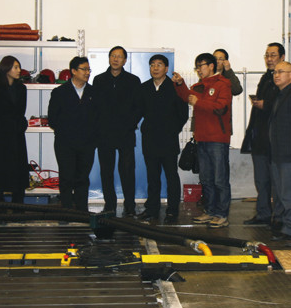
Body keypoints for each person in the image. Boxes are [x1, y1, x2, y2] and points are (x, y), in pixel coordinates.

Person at [173, 53, 232, 228]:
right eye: (197, 67)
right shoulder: (199, 86)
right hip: (202, 138)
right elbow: (187, 96)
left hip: (217, 139)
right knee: (206, 178)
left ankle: (222, 214)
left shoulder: (223, 84)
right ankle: (210, 211)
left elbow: (221, 107)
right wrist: (180, 83)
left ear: (211, 66)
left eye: (201, 66)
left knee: (220, 179)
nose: (199, 70)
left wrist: (199, 102)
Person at [138, 54, 189, 224]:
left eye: (159, 65)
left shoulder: (174, 87)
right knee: (152, 176)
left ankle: (172, 211)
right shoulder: (144, 88)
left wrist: (172, 130)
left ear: (166, 68)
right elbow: (138, 111)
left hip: (168, 139)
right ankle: (152, 209)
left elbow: (183, 114)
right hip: (150, 139)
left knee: (171, 176)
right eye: (152, 65)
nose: (155, 68)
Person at [93, 46, 143, 217]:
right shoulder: (99, 80)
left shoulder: (133, 81)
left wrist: (129, 124)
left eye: (119, 56)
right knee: (106, 172)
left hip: (125, 133)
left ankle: (130, 206)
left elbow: (139, 107)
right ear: (109, 58)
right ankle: (110, 205)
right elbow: (95, 107)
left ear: (125, 60)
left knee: (127, 171)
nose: (116, 59)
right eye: (113, 56)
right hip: (104, 134)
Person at [48, 56, 98, 212]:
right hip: (65, 143)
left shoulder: (94, 92)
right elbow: (52, 119)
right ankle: (67, 210)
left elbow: (99, 117)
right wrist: (68, 131)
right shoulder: (59, 92)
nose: (87, 73)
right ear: (74, 71)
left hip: (87, 144)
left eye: (89, 69)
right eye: (84, 69)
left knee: (82, 178)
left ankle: (82, 211)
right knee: (66, 178)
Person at [243, 42, 284, 227]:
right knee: (261, 180)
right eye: (267, 55)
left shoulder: (287, 81)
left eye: (273, 55)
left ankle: (279, 218)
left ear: (282, 58)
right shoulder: (266, 78)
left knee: (277, 181)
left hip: (275, 140)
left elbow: (284, 106)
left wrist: (265, 105)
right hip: (259, 136)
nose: (269, 59)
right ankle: (263, 214)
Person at [0, 55, 29, 206]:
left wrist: (21, 125)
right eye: (15, 67)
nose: (19, 70)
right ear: (6, 69)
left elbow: (21, 111)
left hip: (16, 134)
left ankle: (18, 205)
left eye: (19, 67)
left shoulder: (21, 88)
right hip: (0, 136)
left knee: (18, 170)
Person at [269, 61, 291, 241]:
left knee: (289, 193)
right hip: (277, 151)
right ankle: (282, 223)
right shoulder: (279, 94)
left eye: (281, 71)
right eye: (275, 72)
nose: (276, 75)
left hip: (288, 152)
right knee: (280, 192)